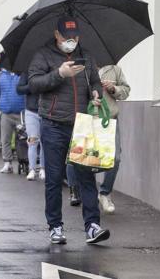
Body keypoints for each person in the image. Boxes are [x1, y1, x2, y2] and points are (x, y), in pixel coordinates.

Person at [28, 14, 110, 245]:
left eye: (74, 36)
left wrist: (96, 93)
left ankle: (92, 226)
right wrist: (59, 74)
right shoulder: (43, 55)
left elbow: (94, 80)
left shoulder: (86, 55)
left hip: (82, 124)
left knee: (86, 176)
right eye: (66, 36)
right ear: (56, 35)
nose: (70, 40)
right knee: (54, 178)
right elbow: (33, 84)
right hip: (53, 123)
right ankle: (55, 227)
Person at [66, 64, 130, 213]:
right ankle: (75, 189)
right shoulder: (79, 65)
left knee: (115, 158)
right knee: (77, 156)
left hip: (109, 119)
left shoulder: (114, 69)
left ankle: (105, 193)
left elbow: (125, 91)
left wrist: (114, 89)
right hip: (85, 118)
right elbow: (70, 92)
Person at [0, 67, 25, 173]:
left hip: (22, 112)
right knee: (5, 140)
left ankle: (25, 162)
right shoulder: (0, 76)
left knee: (23, 140)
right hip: (5, 112)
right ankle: (7, 163)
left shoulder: (23, 74)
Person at [16, 71, 46, 181]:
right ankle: (32, 169)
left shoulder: (49, 71)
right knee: (32, 140)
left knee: (44, 141)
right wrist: (32, 86)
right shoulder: (26, 72)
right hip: (31, 110)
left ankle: (43, 168)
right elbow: (19, 89)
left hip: (46, 110)